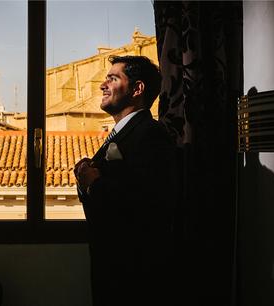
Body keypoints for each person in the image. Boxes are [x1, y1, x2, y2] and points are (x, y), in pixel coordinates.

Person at [74, 55, 177, 306]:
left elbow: (147, 203)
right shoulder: (121, 133)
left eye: (113, 78)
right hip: (112, 270)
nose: (103, 85)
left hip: (133, 275)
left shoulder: (150, 134)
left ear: (137, 89)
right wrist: (86, 176)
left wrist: (94, 183)